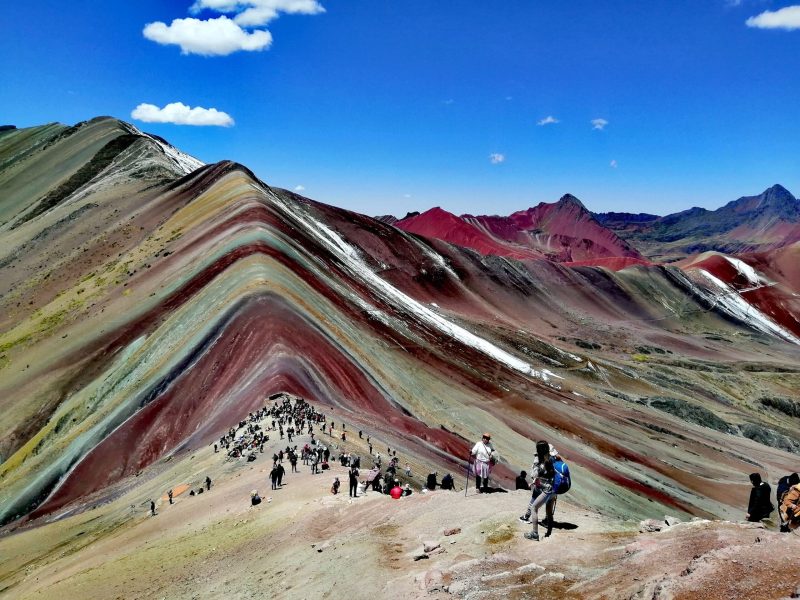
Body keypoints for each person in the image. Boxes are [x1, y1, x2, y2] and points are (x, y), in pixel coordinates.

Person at [523, 441, 557, 541]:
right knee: (549, 512)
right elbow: (552, 474)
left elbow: (534, 474)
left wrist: (538, 473)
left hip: (545, 489)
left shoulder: (542, 461)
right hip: (552, 490)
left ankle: (535, 534)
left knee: (534, 508)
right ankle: (549, 532)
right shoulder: (550, 459)